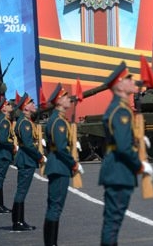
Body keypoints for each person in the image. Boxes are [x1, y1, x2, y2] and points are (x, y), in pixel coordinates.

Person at [99, 61, 153, 246]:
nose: (133, 82)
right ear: (120, 85)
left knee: (113, 221)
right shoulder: (120, 111)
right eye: (129, 78)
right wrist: (139, 165)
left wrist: (137, 141)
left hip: (117, 170)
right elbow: (122, 147)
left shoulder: (120, 108)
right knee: (113, 222)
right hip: (119, 171)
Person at [44, 84, 83, 246]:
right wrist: (73, 164)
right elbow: (60, 148)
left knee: (54, 206)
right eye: (66, 97)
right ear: (59, 101)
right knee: (55, 207)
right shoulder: (58, 122)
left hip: (57, 166)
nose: (69, 99)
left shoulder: (58, 119)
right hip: (60, 167)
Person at [12, 93, 46, 231]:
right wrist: (40, 156)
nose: (34, 105)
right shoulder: (25, 123)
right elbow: (27, 144)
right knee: (21, 191)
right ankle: (18, 222)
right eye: (31, 103)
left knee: (22, 191)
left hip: (25, 159)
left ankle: (18, 220)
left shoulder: (24, 121)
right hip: (26, 160)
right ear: (25, 107)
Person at [0, 99, 15, 214]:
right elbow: (3, 139)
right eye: (9, 105)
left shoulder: (2, 120)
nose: (11, 106)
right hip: (3, 153)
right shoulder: (4, 122)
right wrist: (13, 145)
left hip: (2, 153)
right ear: (4, 108)